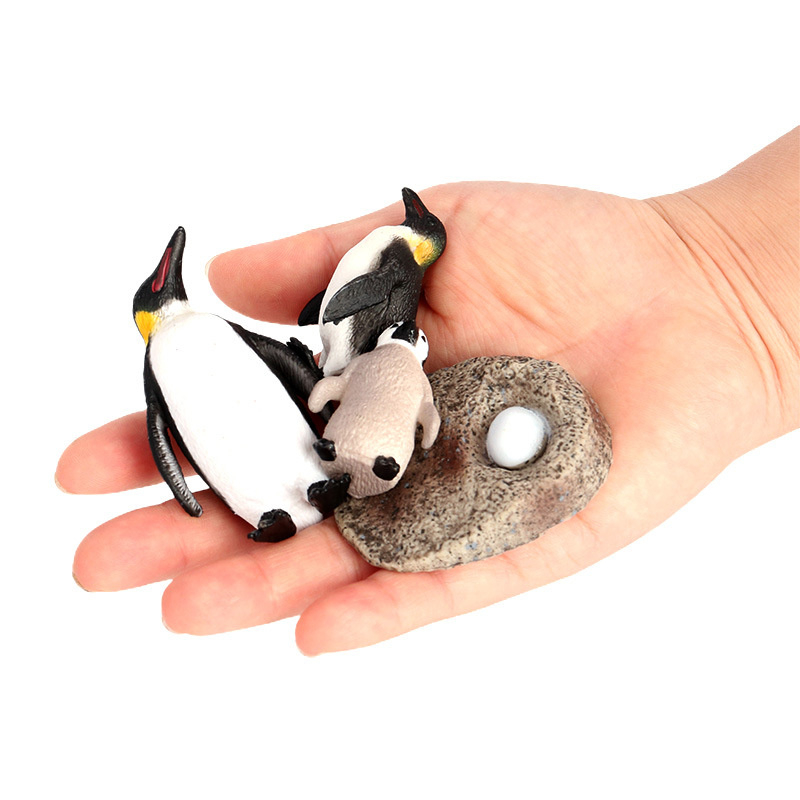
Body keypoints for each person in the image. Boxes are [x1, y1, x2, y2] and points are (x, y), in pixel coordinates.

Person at [55, 129, 799, 654]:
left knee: (283, 460)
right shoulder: (195, 343)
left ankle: (297, 496)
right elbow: (238, 389)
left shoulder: (198, 347)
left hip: (337, 430)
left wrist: (326, 389)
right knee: (269, 465)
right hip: (326, 432)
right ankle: (283, 508)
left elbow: (299, 376)